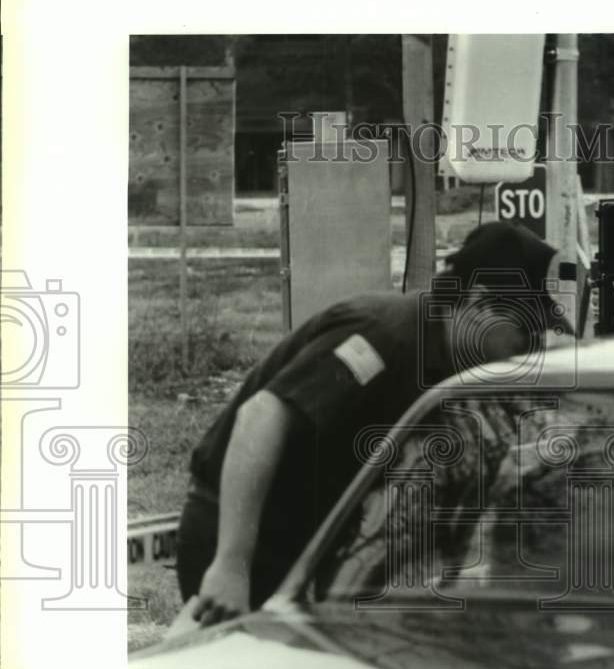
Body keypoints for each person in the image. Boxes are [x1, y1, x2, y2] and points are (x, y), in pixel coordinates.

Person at [177, 221, 573, 626]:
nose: (531, 349)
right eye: (526, 332)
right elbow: (260, 418)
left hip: (314, 545)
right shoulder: (385, 338)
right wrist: (231, 566)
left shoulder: (457, 368)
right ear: (479, 301)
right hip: (246, 538)